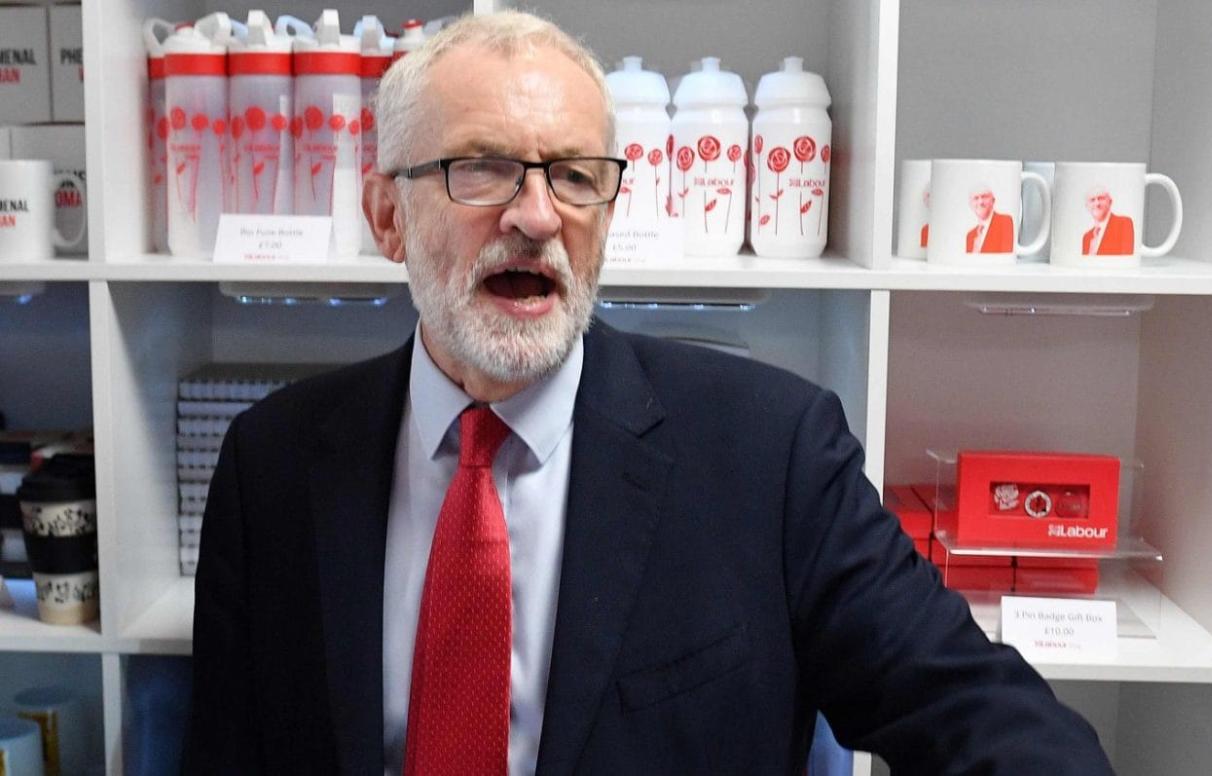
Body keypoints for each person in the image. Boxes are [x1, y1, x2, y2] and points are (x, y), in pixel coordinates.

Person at [183, 11, 1115, 775]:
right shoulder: (272, 462)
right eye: (482, 167)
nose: (537, 215)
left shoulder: (771, 453)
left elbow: (969, 709)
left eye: (576, 177)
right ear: (387, 214)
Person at [1083, 186, 1135, 255]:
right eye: (1092, 200)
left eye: (1101, 198)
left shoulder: (1123, 224)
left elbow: (1125, 260)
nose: (1097, 204)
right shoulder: (1087, 237)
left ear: (1110, 202)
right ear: (1087, 206)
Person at [965, 186, 1014, 253]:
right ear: (971, 204)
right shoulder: (970, 236)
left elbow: (1005, 257)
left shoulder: (1004, 222)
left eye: (984, 197)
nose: (980, 202)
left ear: (993, 201)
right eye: (976, 198)